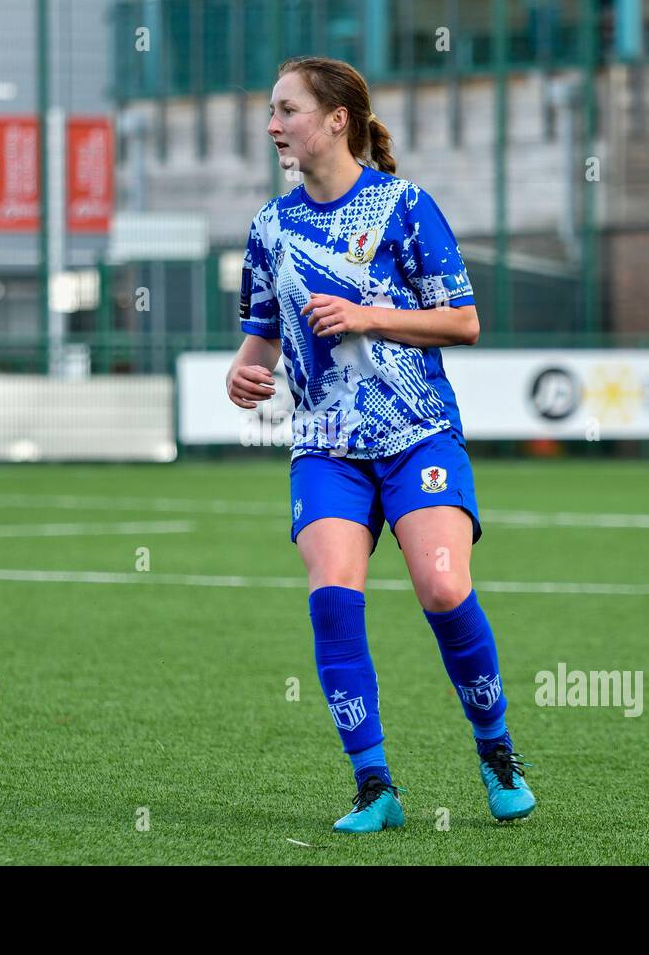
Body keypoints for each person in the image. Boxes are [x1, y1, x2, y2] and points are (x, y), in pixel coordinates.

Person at [225, 56, 534, 833]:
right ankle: (374, 787)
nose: (273, 125)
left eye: (286, 110)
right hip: (326, 444)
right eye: (271, 111)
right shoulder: (270, 226)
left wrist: (367, 316)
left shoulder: (405, 207)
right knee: (333, 592)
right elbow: (260, 337)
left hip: (415, 432)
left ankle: (496, 753)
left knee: (442, 588)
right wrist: (244, 374)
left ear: (337, 119)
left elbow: (462, 322)